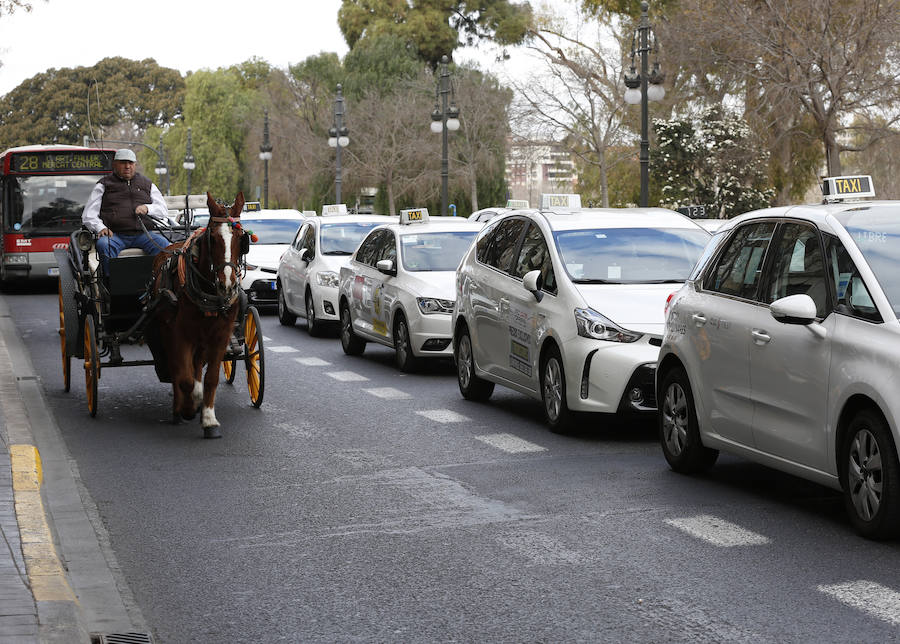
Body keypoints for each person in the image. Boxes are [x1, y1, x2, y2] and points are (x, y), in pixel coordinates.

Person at [81, 148, 171, 274]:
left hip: (143, 234)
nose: (127, 166)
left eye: (130, 163)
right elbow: (89, 215)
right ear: (115, 164)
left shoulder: (147, 184)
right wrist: (101, 228)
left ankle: (158, 282)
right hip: (115, 236)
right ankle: (110, 284)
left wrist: (148, 208)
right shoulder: (104, 184)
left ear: (135, 165)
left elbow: (162, 210)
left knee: (164, 245)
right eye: (123, 163)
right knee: (104, 245)